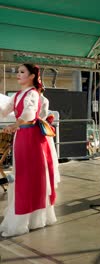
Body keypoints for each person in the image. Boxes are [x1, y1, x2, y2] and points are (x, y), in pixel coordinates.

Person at [0, 64, 57, 237]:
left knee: (28, 179)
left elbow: (29, 114)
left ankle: (24, 222)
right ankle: (33, 219)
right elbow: (4, 111)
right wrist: (14, 125)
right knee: (25, 178)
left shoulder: (32, 93)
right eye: (18, 72)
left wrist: (14, 125)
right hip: (23, 138)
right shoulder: (18, 95)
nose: (18, 74)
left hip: (32, 139)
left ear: (32, 76)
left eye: (22, 72)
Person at [39, 88, 61, 188]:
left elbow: (42, 116)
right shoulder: (41, 100)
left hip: (39, 130)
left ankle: (44, 179)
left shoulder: (43, 100)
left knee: (44, 156)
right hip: (39, 128)